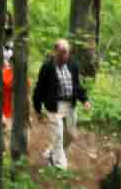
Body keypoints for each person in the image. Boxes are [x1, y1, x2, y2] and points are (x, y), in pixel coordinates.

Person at [32, 40, 87, 170]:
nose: (65, 56)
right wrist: (38, 110)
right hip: (54, 105)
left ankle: (51, 153)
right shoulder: (47, 67)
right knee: (58, 134)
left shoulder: (73, 65)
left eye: (67, 53)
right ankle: (60, 166)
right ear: (55, 51)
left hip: (70, 104)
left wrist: (84, 99)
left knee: (71, 134)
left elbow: (77, 85)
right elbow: (39, 89)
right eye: (62, 53)